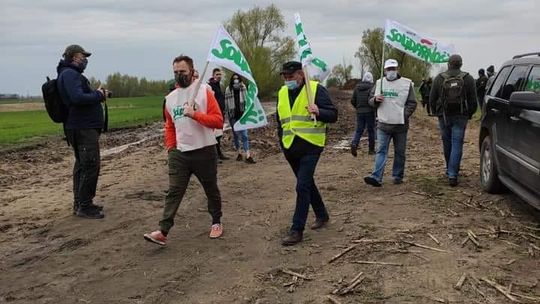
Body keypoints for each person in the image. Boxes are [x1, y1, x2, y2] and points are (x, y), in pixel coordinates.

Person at [144, 55, 224, 246]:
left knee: (210, 189)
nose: (179, 76)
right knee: (174, 191)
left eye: (183, 72)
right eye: (176, 73)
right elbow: (169, 126)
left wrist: (195, 115)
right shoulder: (170, 99)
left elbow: (218, 121)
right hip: (180, 154)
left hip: (204, 150)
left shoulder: (205, 92)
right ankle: (163, 231)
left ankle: (216, 222)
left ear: (192, 71)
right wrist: (171, 147)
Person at [276, 61, 338, 246]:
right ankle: (322, 214)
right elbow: (280, 120)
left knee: (301, 186)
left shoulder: (316, 89)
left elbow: (333, 115)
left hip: (311, 145)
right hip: (290, 147)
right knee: (307, 184)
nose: (288, 80)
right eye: (285, 77)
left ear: (301, 74)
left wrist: (319, 112)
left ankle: (297, 230)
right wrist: (281, 141)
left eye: (291, 76)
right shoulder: (281, 93)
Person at [56, 44, 107, 219]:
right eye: (81, 56)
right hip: (82, 128)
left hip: (80, 126)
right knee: (90, 165)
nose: (84, 59)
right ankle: (84, 205)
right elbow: (77, 98)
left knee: (82, 165)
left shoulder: (70, 74)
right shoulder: (70, 74)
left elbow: (80, 96)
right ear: (72, 57)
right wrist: (99, 95)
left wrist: (98, 94)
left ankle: (80, 203)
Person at [364, 59, 417, 187]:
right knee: (381, 150)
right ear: (385, 70)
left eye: (393, 69)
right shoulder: (379, 83)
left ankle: (397, 175)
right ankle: (377, 176)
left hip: (400, 126)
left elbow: (412, 103)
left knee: (400, 152)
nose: (391, 71)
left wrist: (403, 115)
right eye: (389, 69)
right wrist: (375, 100)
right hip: (383, 124)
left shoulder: (406, 84)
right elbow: (370, 101)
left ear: (397, 69)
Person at [429, 54, 477, 187]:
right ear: (461, 64)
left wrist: (436, 112)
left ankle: (449, 169)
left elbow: (432, 98)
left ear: (449, 64)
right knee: (457, 144)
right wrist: (470, 113)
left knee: (447, 142)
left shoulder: (439, 78)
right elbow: (473, 100)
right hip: (461, 116)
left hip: (443, 115)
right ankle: (453, 174)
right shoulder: (468, 78)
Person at [225, 73, 256, 164]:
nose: (236, 80)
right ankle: (239, 153)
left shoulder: (243, 88)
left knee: (245, 135)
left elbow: (247, 100)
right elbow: (226, 103)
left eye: (237, 78)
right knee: (235, 135)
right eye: (234, 78)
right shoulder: (228, 89)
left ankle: (248, 155)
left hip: (242, 115)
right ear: (231, 80)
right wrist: (228, 115)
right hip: (233, 115)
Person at [350, 72, 376, 156]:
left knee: (359, 130)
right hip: (370, 112)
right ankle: (371, 150)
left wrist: (358, 108)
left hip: (360, 112)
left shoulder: (357, 88)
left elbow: (352, 100)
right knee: (371, 130)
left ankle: (354, 143)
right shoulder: (373, 87)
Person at [207, 68, 229, 161]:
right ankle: (215, 155)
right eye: (217, 74)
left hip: (221, 113)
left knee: (219, 134)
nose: (219, 76)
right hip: (214, 114)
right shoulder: (210, 86)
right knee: (214, 135)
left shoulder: (218, 86)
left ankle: (218, 153)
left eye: (220, 74)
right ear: (213, 75)